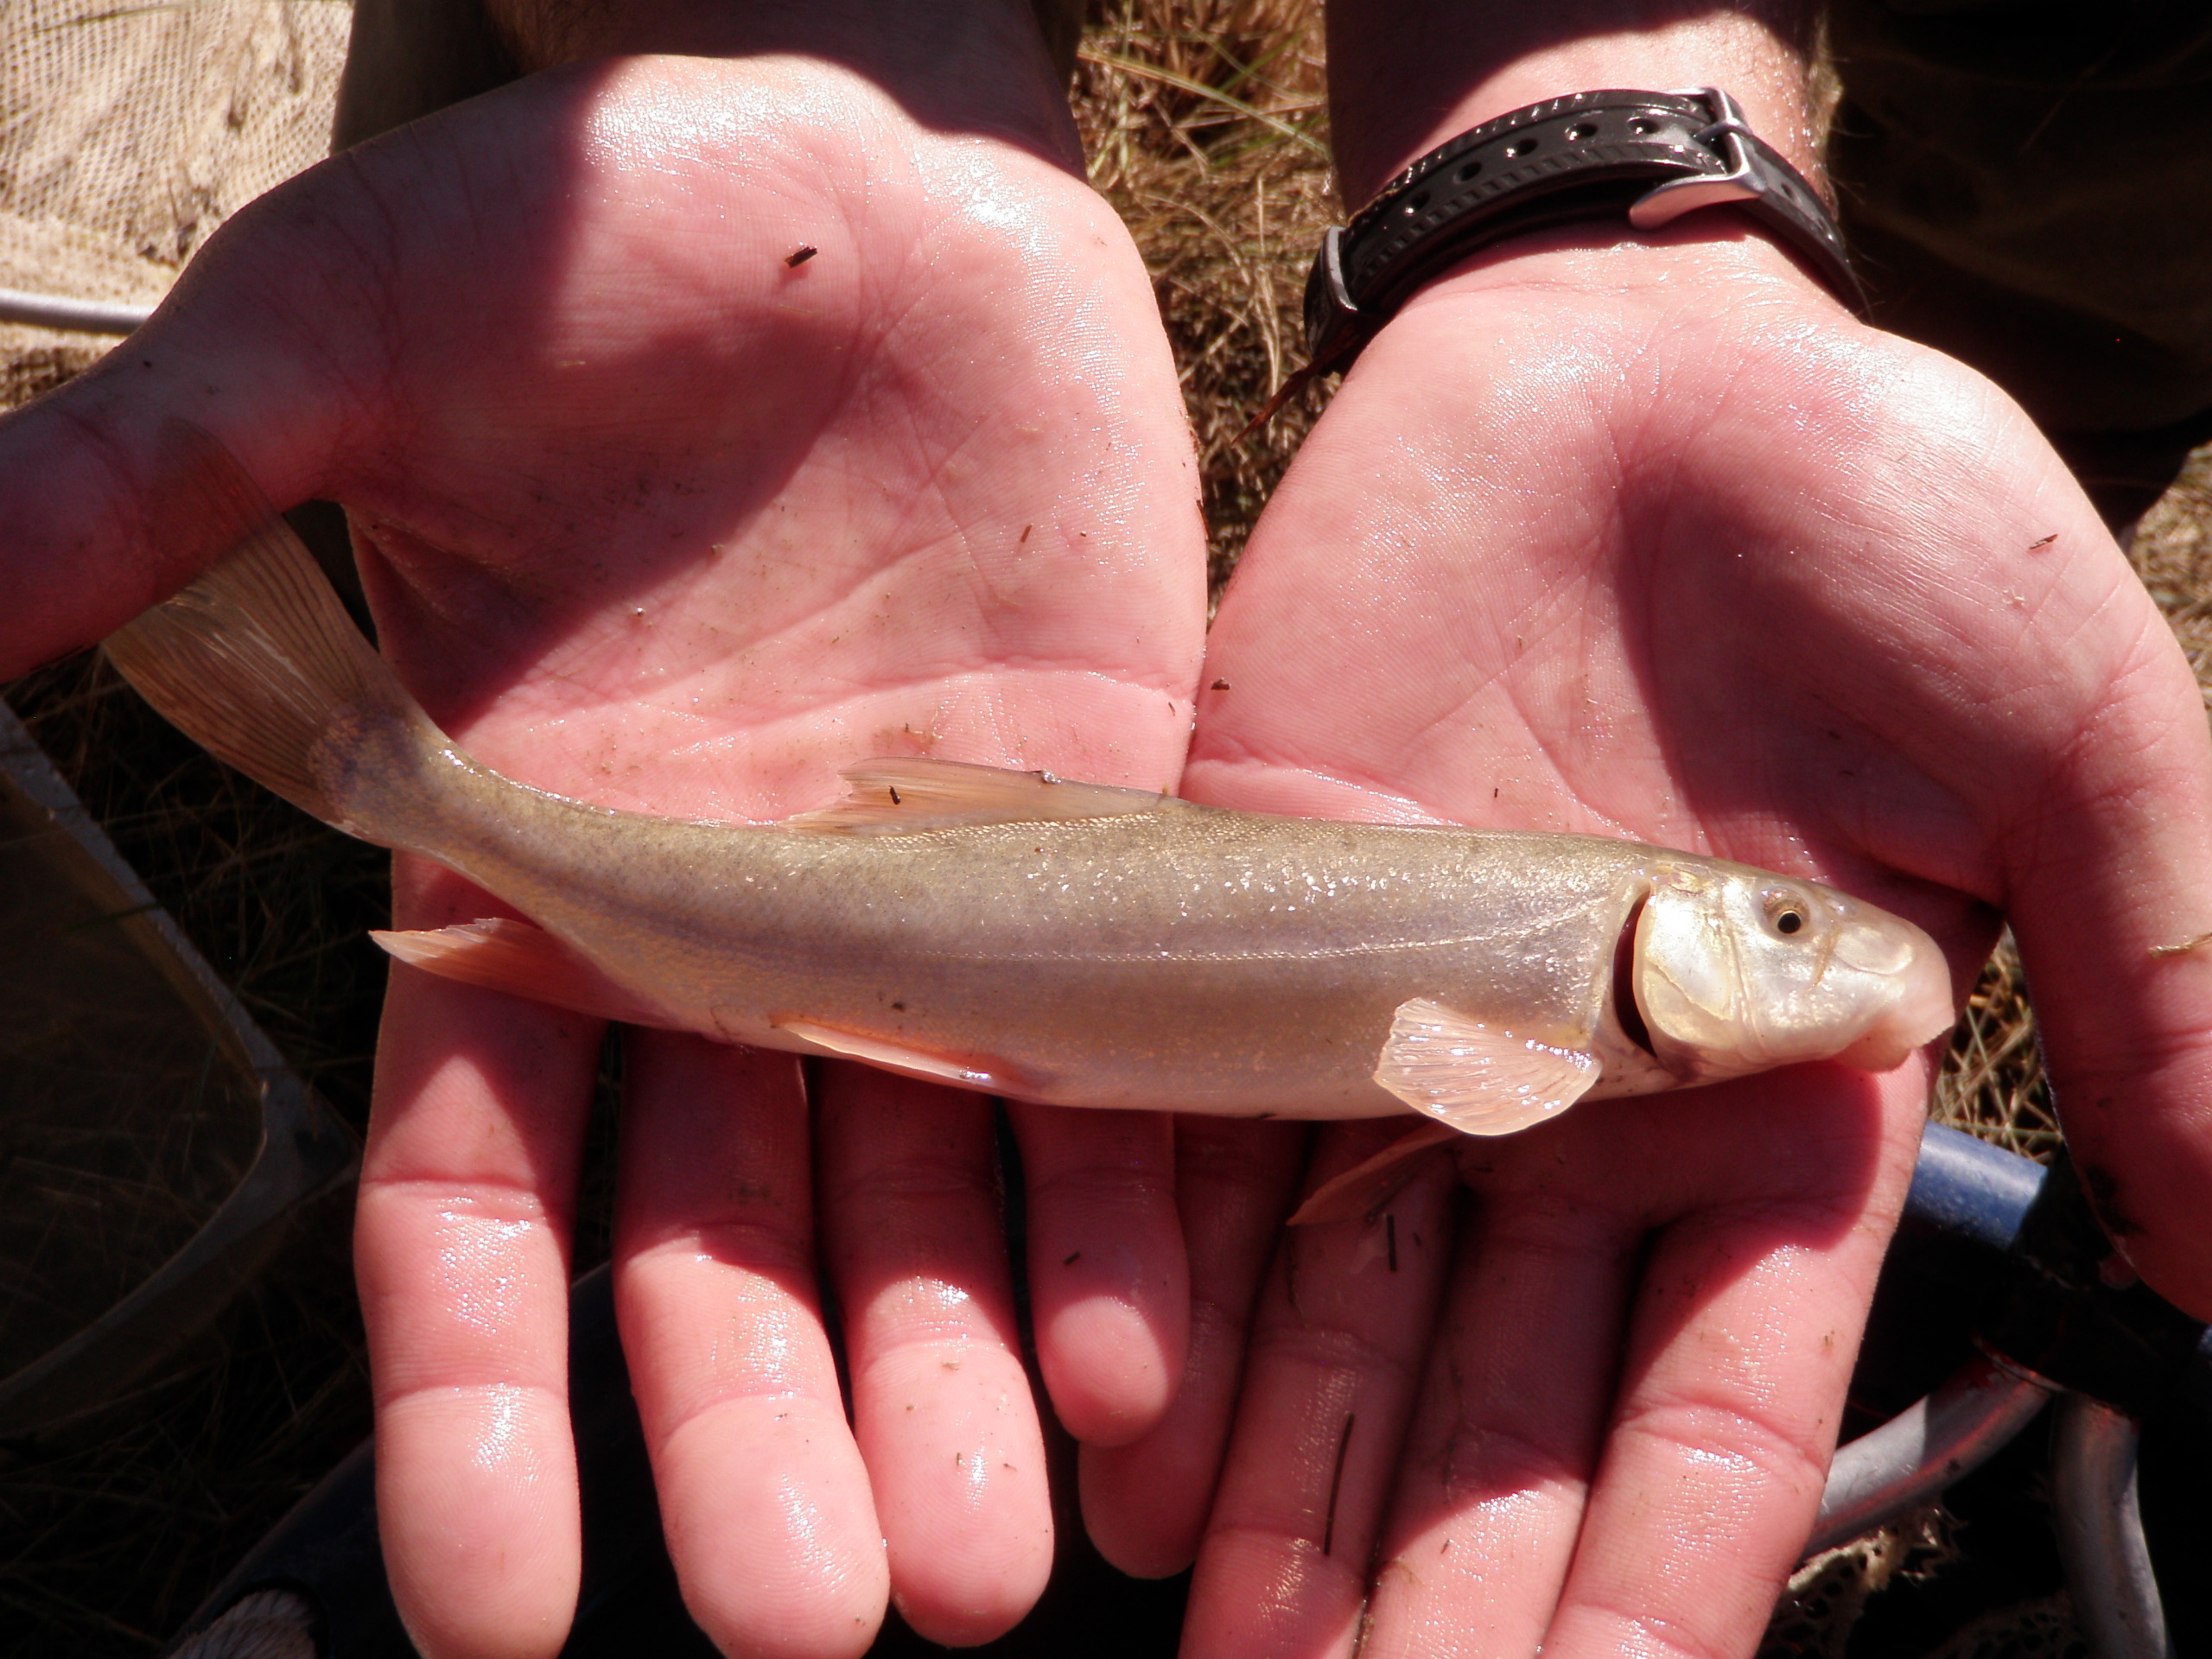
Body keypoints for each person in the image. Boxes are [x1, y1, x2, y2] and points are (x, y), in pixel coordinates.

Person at [3, 4, 2209, 1659]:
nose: (1834, 967)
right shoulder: (1540, 1020)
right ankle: (402, 782)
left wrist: (1607, 223)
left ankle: (427, 804)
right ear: (1659, 923)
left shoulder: (1554, 1023)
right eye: (1786, 934)